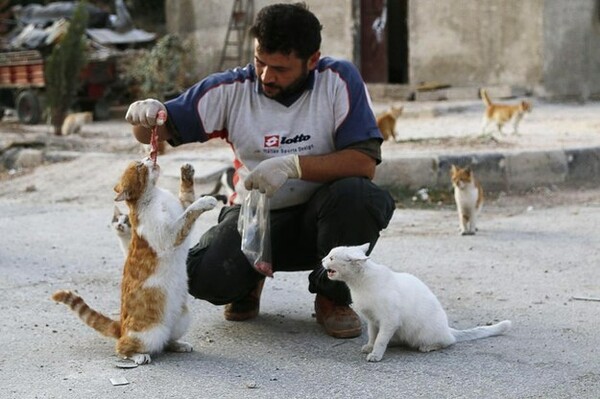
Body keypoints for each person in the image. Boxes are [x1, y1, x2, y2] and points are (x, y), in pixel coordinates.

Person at [125, 2, 395, 339]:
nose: (267, 76)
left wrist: (293, 165)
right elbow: (161, 127)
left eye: (280, 69)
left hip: (323, 219)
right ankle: (246, 284)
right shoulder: (232, 89)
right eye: (260, 63)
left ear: (312, 61)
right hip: (256, 221)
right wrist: (144, 117)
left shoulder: (338, 81)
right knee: (203, 275)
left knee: (359, 196)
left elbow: (363, 163)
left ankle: (332, 297)